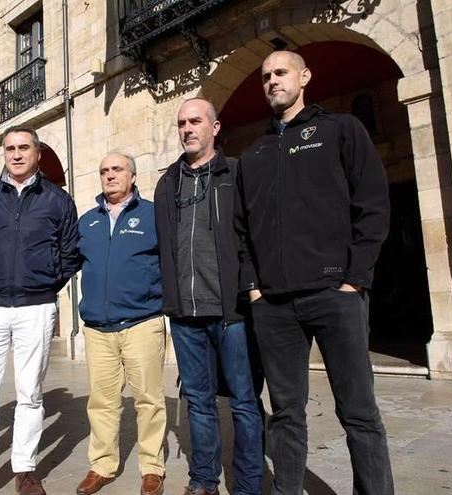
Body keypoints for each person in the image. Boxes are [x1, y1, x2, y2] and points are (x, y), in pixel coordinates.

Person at [235, 51, 393, 495]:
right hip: (275, 306)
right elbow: (241, 230)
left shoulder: (340, 130)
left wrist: (354, 279)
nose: (271, 81)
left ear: (304, 77)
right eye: (265, 76)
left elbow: (373, 205)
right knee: (286, 412)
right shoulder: (254, 155)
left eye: (280, 73)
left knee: (358, 411)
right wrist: (253, 289)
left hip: (335, 294)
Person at [0, 126, 80, 495]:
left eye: (23, 148)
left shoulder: (58, 199)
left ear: (38, 153)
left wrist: (44, 284)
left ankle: (25, 470)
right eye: (10, 148)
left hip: (36, 308)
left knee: (30, 393)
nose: (16, 154)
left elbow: (70, 252)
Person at [153, 98, 263, 495]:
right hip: (184, 314)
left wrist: (251, 288)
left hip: (230, 311)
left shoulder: (236, 173)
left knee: (244, 402)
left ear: (215, 128)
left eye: (195, 121)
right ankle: (203, 481)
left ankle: (250, 485)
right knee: (198, 403)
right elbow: (164, 245)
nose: (187, 128)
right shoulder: (167, 183)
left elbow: (253, 236)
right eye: (181, 122)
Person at [75, 153, 166, 495]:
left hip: (142, 322)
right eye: (104, 171)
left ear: (132, 175)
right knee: (102, 401)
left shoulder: (153, 214)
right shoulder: (88, 221)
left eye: (117, 169)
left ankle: (152, 467)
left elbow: (168, 261)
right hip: (98, 328)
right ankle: (102, 465)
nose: (110, 175)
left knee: (149, 400)